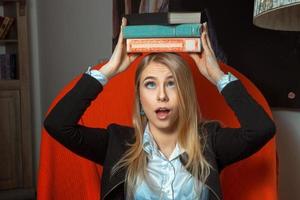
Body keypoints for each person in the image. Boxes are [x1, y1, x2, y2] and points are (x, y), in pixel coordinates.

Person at [44, 18, 276, 200]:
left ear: (184, 94)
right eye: (150, 84)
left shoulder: (209, 142)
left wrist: (216, 75)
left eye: (172, 83)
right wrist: (109, 70)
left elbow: (261, 129)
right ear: (140, 97)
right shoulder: (117, 144)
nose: (162, 95)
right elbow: (58, 124)